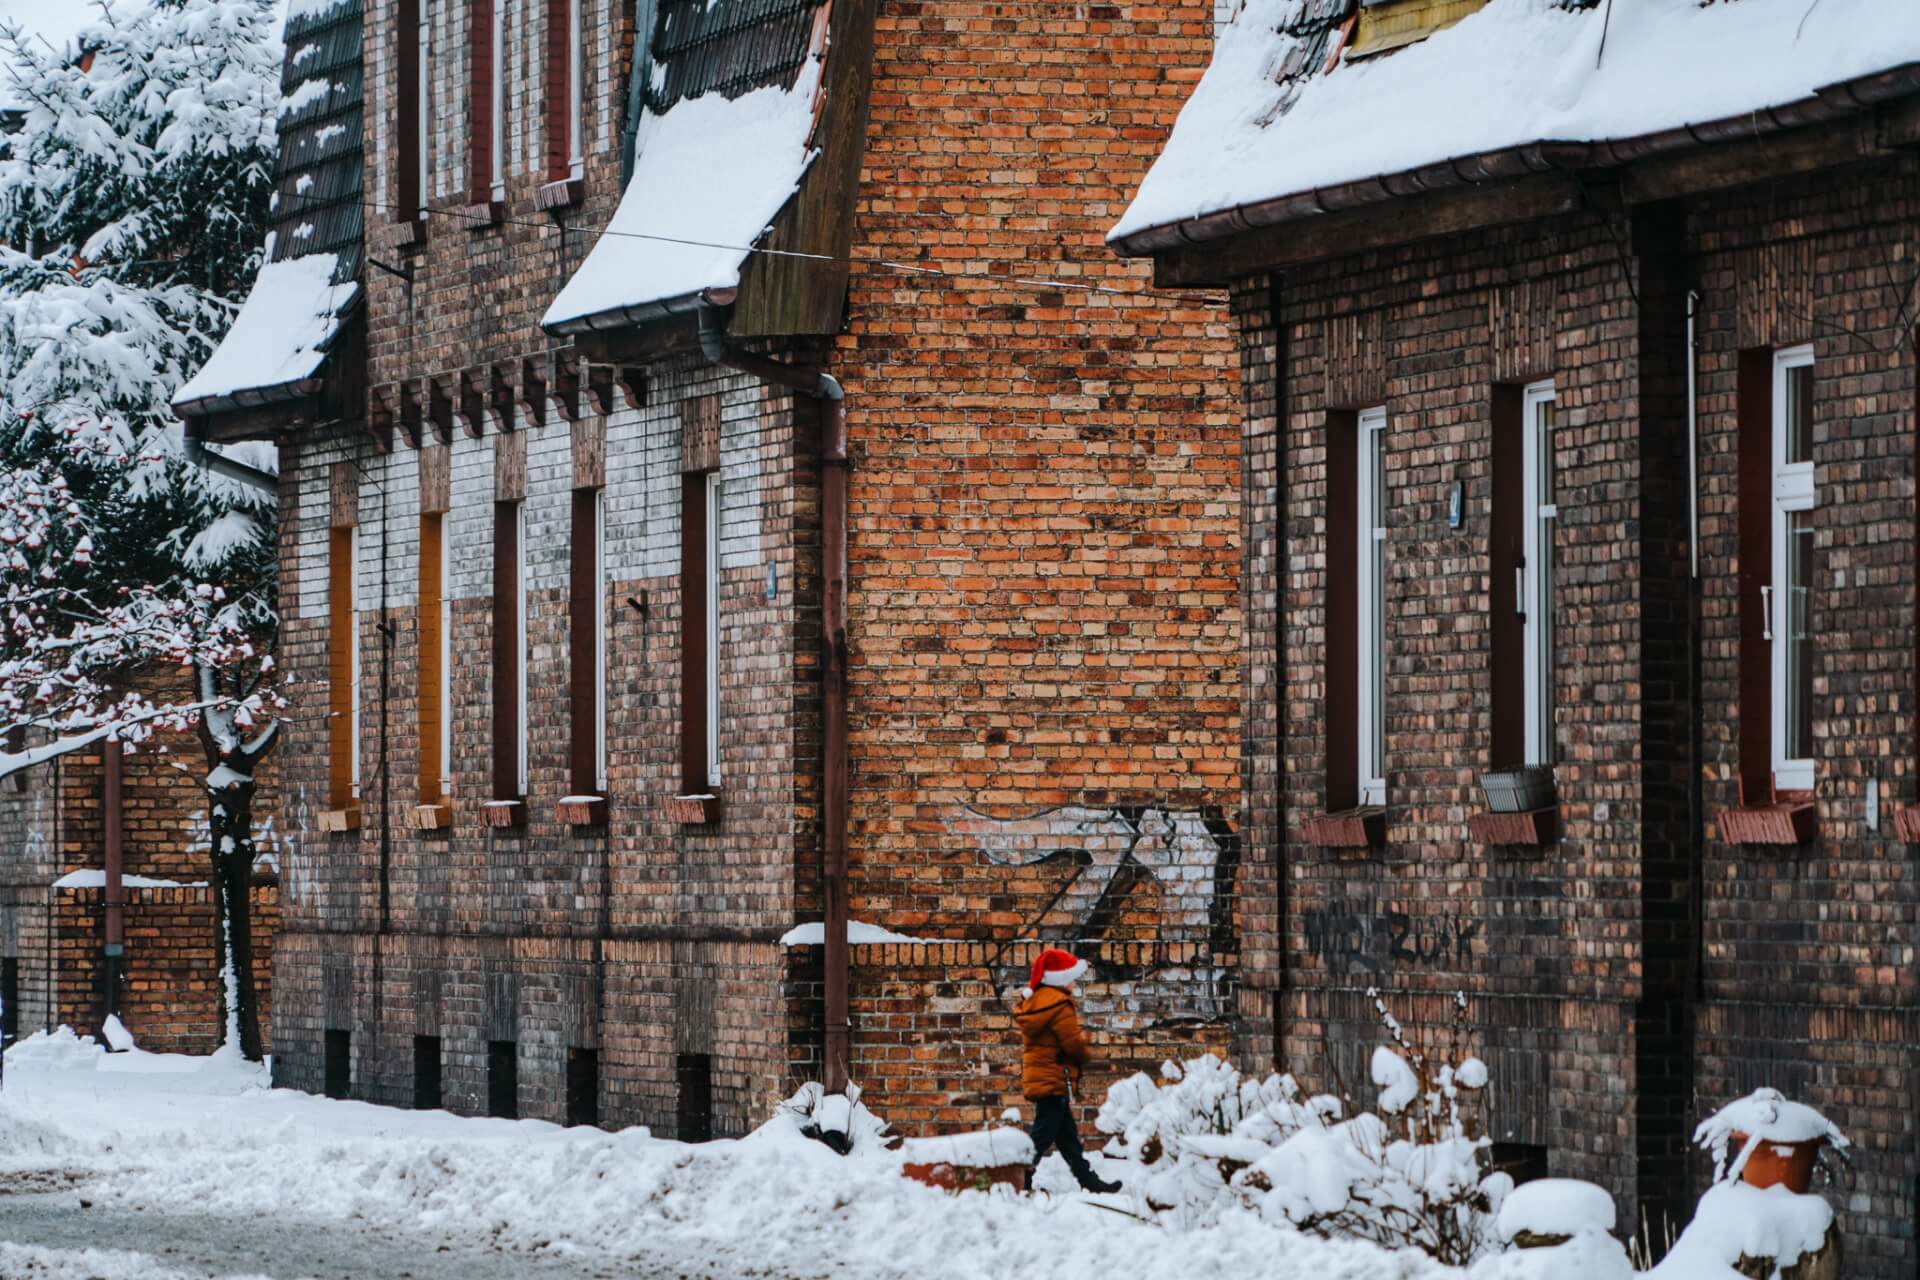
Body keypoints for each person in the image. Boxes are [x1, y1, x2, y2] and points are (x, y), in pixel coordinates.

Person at [1014, 947, 1121, 1194]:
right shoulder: (1059, 1004)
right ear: (1060, 979)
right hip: (1052, 1076)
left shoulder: (1036, 1002)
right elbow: (1070, 1041)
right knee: (1042, 1134)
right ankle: (1020, 1174)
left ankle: (1087, 1179)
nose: (1074, 983)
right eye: (1071, 977)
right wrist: (1084, 1055)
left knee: (1067, 1137)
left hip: (1043, 1075)